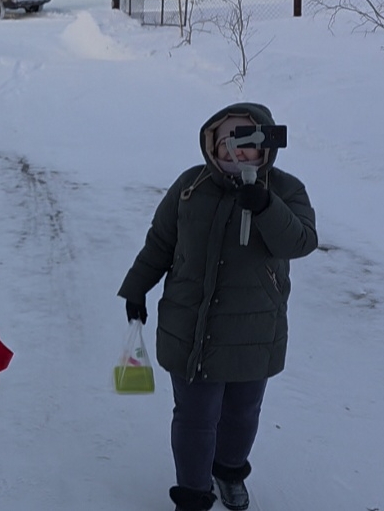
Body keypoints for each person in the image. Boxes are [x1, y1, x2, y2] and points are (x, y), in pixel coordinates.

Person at [117, 103, 317, 511]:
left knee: (242, 413)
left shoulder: (286, 189)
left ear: (265, 145)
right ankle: (192, 492)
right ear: (210, 141)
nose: (234, 149)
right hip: (192, 329)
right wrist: (137, 289)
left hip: (254, 331)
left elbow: (299, 242)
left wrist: (264, 205)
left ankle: (228, 471)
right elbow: (160, 242)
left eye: (247, 139)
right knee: (194, 418)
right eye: (224, 139)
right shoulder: (191, 186)